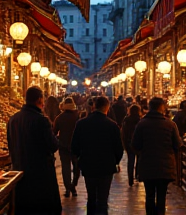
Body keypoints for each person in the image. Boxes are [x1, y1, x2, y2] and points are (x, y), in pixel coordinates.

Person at [7, 86, 62, 215]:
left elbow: (11, 145)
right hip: (40, 176)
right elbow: (53, 146)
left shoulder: (13, 120)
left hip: (19, 173)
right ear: (39, 100)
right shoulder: (41, 120)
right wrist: (57, 138)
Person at [71, 96, 123, 215]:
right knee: (103, 199)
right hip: (106, 166)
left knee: (91, 197)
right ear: (107, 108)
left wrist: (81, 158)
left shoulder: (81, 124)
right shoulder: (112, 126)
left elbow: (74, 146)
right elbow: (119, 149)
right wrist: (115, 161)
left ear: (93, 107)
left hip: (88, 165)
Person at [132, 97, 182, 215]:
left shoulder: (142, 124)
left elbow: (135, 145)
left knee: (149, 195)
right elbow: (178, 144)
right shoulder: (170, 124)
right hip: (165, 167)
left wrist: (143, 153)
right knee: (161, 196)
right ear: (162, 108)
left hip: (147, 166)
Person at [53, 96, 80, 197]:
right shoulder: (77, 116)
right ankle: (73, 185)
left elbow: (54, 132)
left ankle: (68, 188)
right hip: (76, 146)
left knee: (66, 168)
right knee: (77, 167)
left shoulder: (59, 117)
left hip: (63, 145)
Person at [121, 104, 141, 186]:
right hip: (138, 143)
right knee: (139, 159)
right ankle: (137, 175)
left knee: (130, 160)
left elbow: (123, 132)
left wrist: (124, 143)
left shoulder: (126, 120)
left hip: (129, 142)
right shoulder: (140, 120)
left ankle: (130, 178)